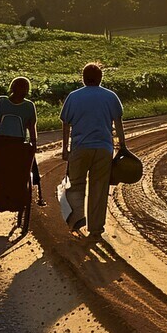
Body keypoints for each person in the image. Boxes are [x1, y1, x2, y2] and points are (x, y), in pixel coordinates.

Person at [59, 62, 126, 239]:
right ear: (100, 78)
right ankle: (96, 229)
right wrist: (122, 147)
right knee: (99, 188)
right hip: (103, 148)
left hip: (80, 148)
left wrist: (65, 149)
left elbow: (66, 124)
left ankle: (77, 220)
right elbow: (118, 124)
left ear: (83, 78)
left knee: (75, 186)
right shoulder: (110, 96)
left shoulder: (73, 97)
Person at [0, 77, 42, 205]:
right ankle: (39, 188)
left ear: (12, 88)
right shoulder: (29, 106)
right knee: (31, 162)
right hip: (19, 142)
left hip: (1, 140)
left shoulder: (2, 101)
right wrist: (34, 144)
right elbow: (31, 127)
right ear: (27, 90)